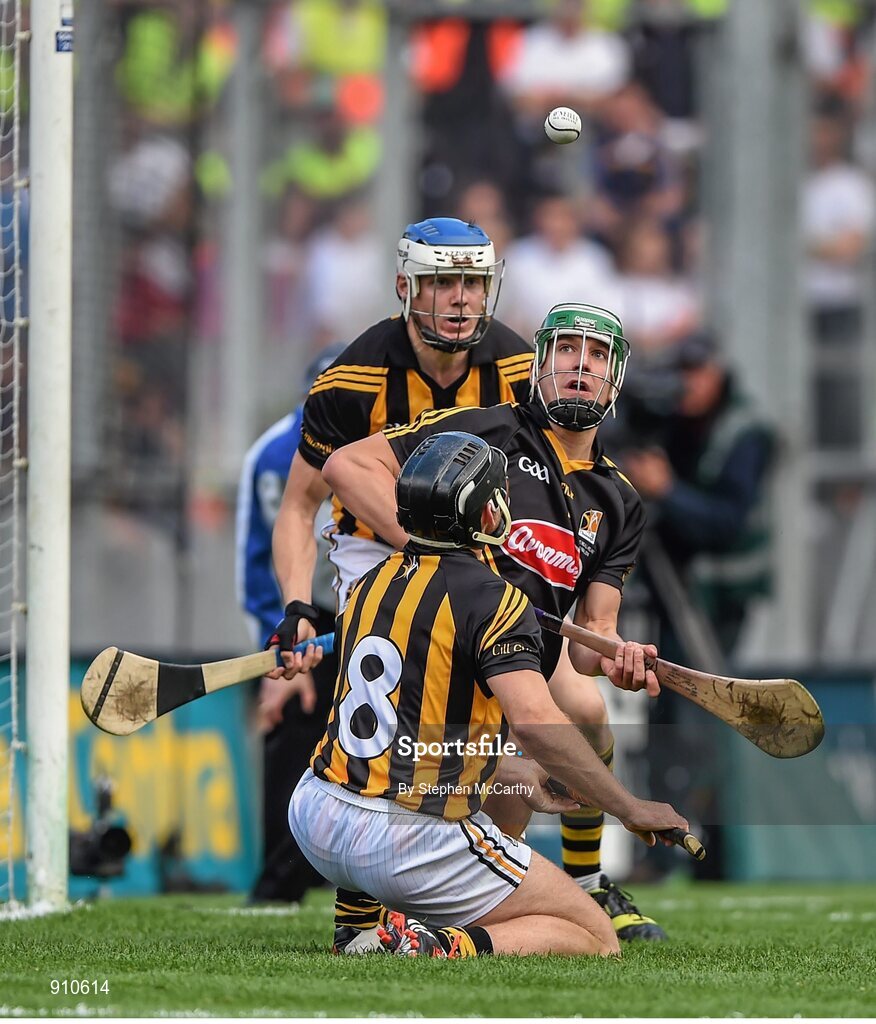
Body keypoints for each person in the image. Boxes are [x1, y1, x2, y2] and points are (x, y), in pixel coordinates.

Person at [317, 301, 672, 942]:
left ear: (614, 379)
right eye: (566, 351)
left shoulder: (619, 500)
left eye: (596, 357)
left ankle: (583, 880)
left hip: (523, 655)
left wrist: (621, 655)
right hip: (455, 643)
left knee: (584, 710)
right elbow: (345, 466)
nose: (580, 368)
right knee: (519, 742)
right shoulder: (489, 430)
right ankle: (405, 905)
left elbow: (592, 633)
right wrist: (433, 547)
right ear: (539, 365)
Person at [235, 344, 344, 903]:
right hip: (302, 611)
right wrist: (277, 646)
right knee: (296, 725)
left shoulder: (379, 438)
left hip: (363, 605)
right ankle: (278, 887)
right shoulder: (280, 455)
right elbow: (258, 561)